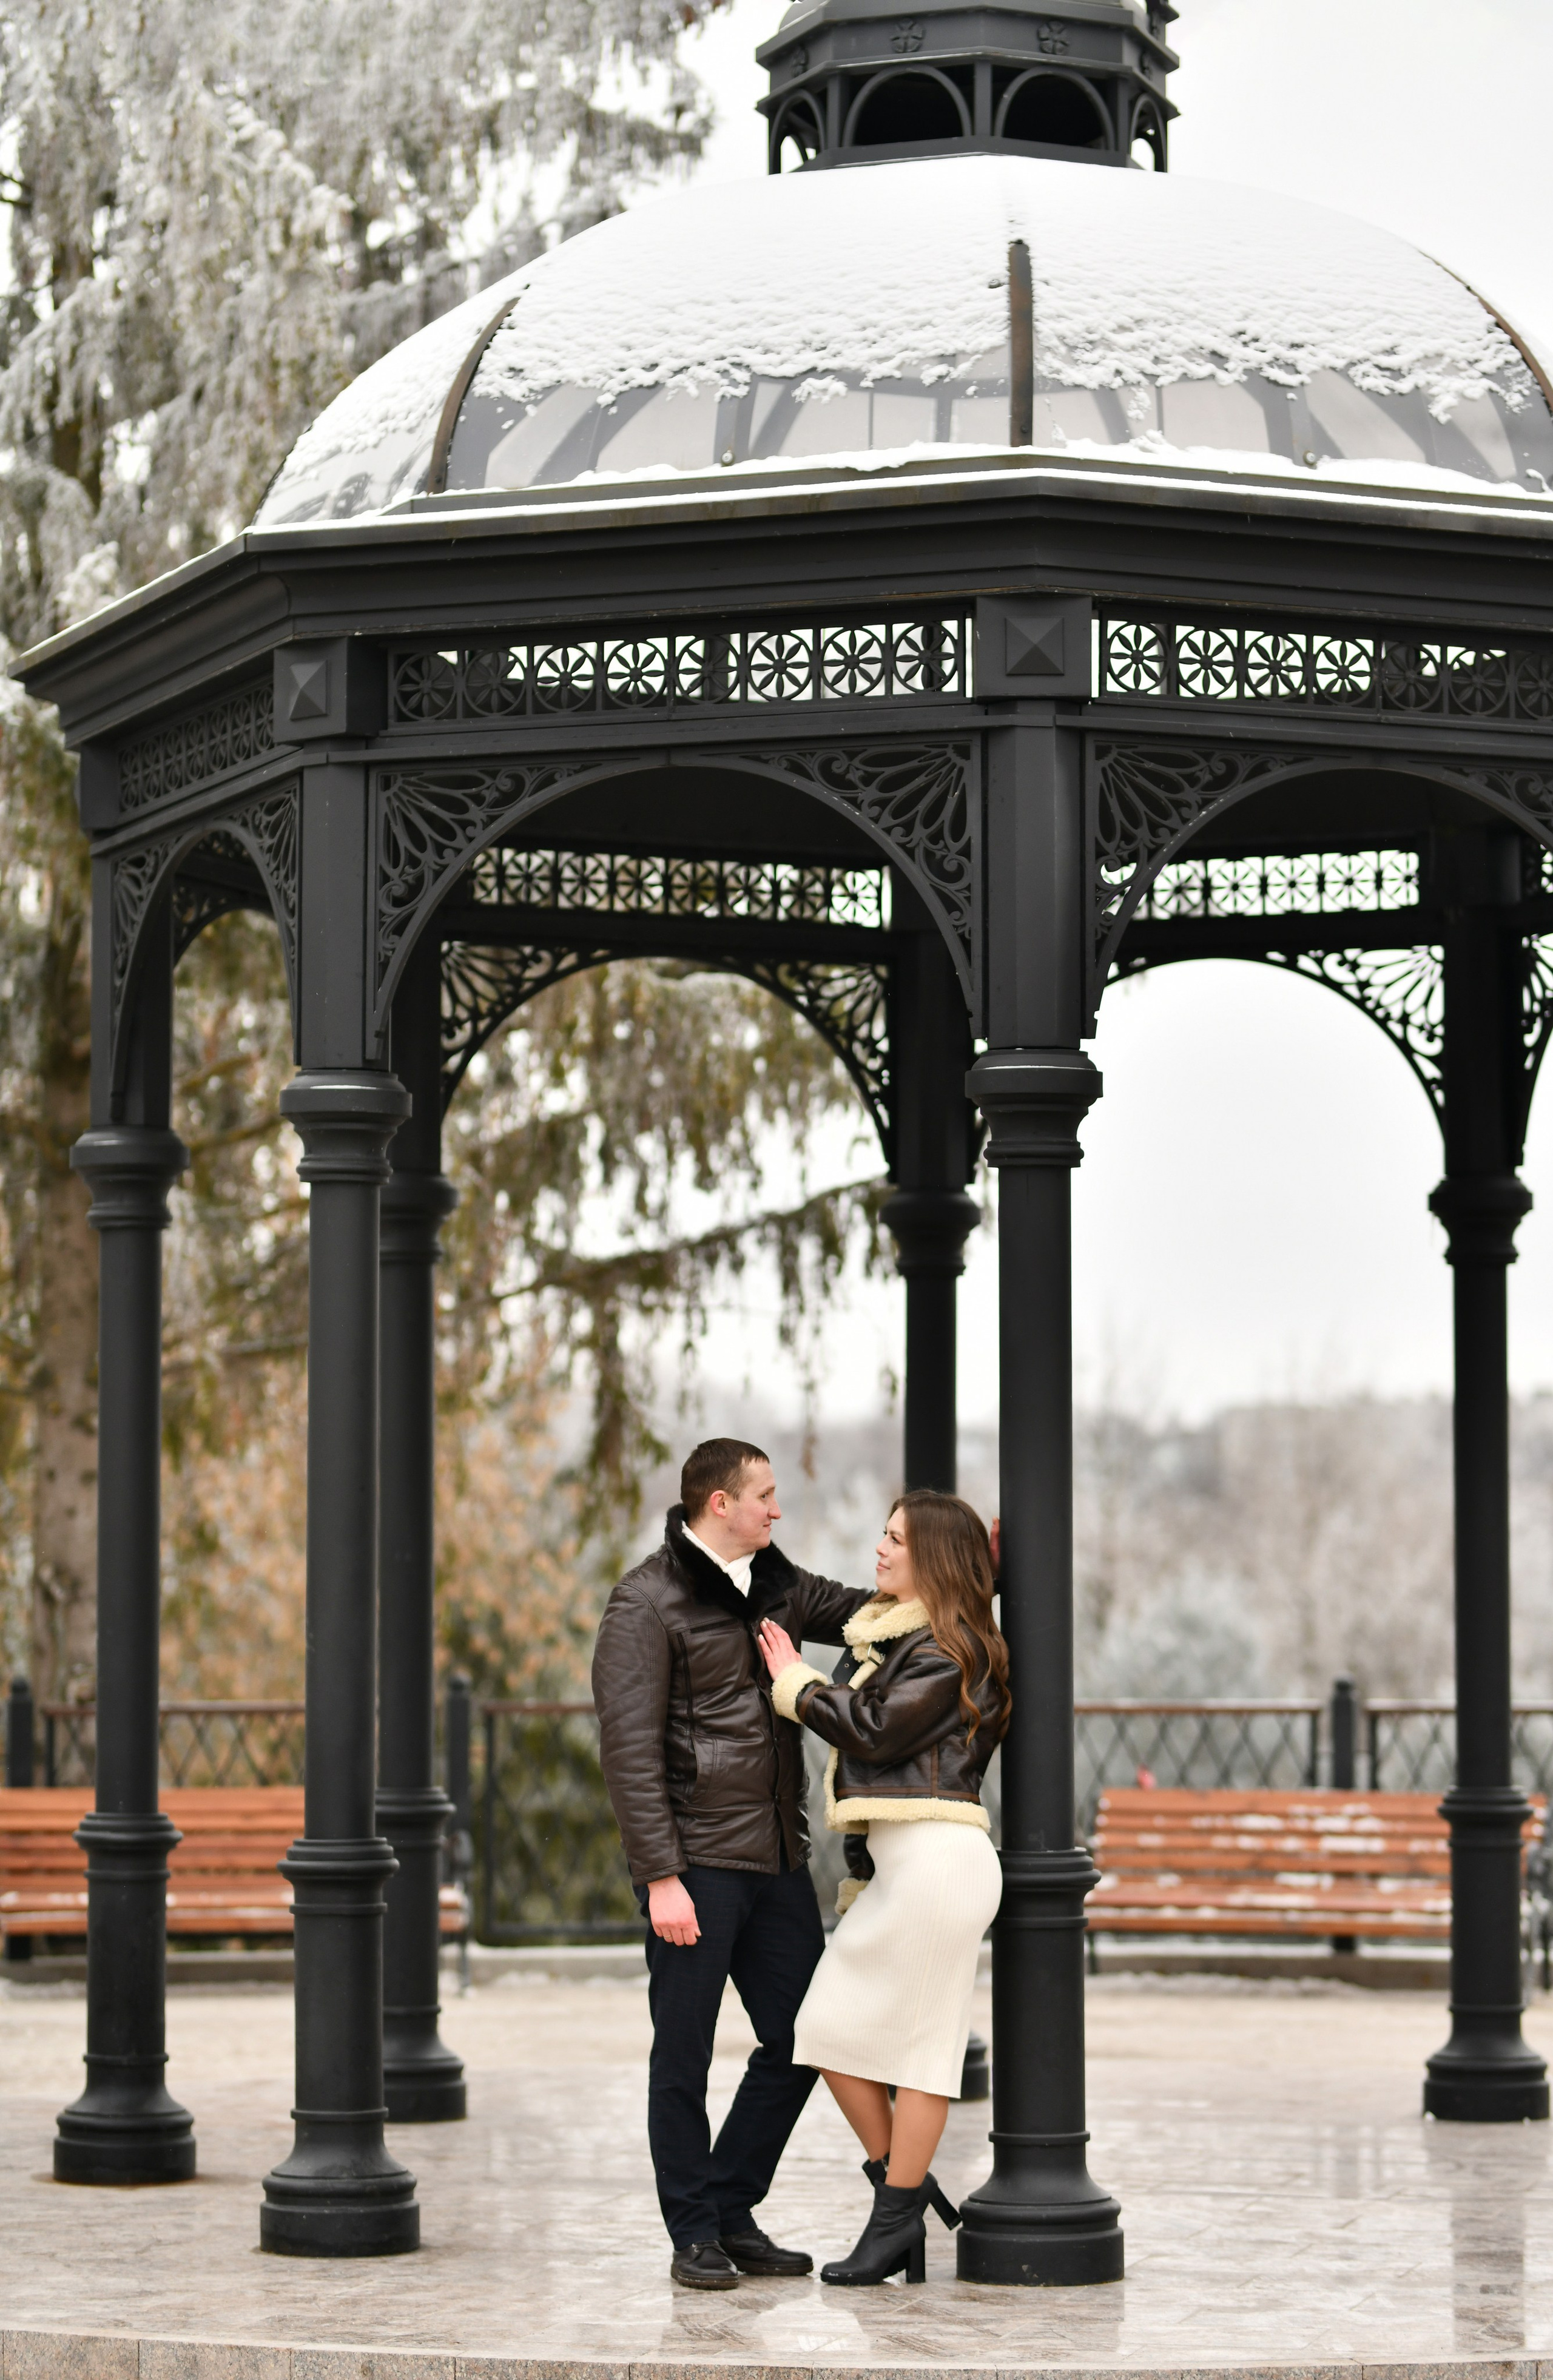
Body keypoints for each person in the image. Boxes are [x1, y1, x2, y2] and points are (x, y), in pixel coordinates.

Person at [592, 1437, 870, 2291]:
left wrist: (977, 1569)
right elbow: (629, 1753)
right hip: (696, 1868)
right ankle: (694, 2233)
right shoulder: (646, 1601)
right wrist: (661, 1878)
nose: (776, 1511)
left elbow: (870, 1610)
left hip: (777, 1861)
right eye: (765, 1497)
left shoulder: (776, 1583)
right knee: (681, 2055)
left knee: (804, 2037)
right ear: (721, 1504)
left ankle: (729, 2205)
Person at [756, 1489, 1010, 2287]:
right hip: (908, 1870)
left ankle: (895, 2215)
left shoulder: (948, 1647)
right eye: (884, 1533)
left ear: (931, 1557)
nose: (881, 1548)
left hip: (940, 1866)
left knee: (926, 2053)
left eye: (898, 1540)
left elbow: (873, 1727)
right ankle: (901, 2191)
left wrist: (795, 1683)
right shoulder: (912, 1638)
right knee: (827, 2025)